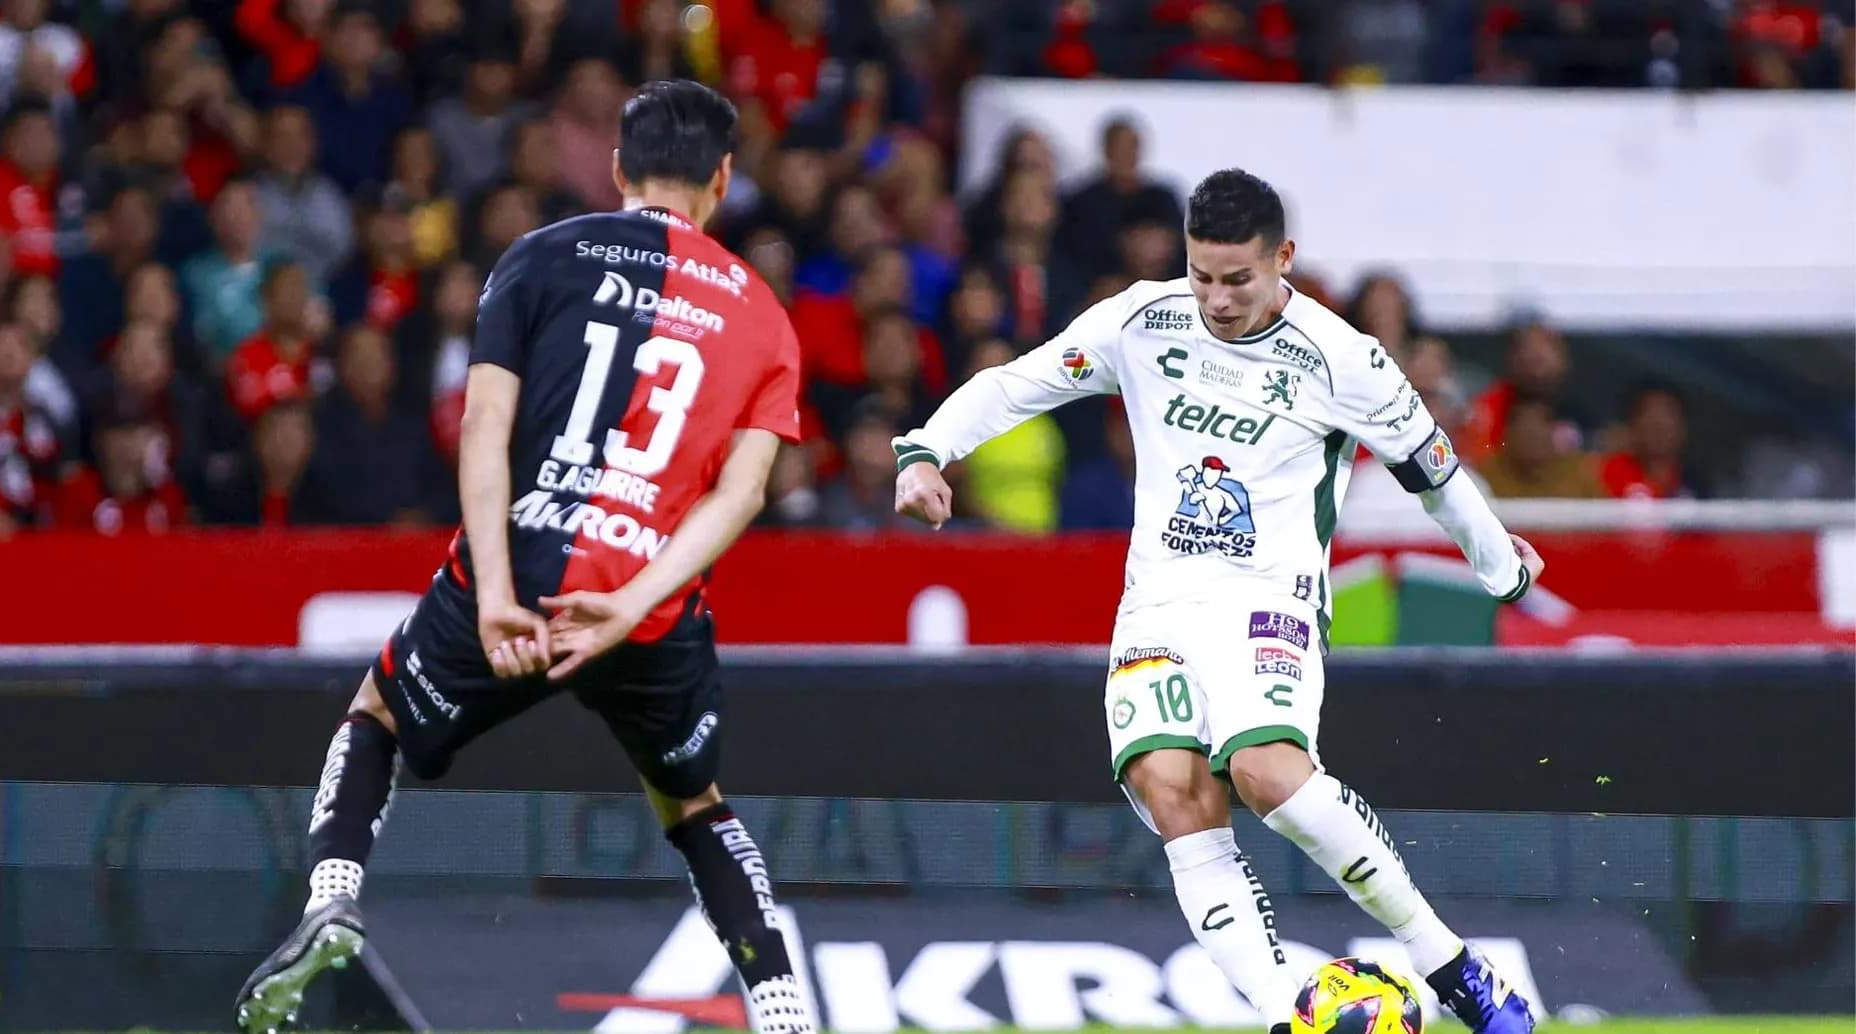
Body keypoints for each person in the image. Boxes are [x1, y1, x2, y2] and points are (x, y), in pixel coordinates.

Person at [892, 169, 1542, 1033]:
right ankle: (1284, 1014)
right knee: (1174, 792)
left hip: (1268, 602)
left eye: (1238, 279)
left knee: (1267, 774)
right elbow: (1018, 381)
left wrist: (1502, 568)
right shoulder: (1143, 320)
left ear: (1283, 259)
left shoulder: (1342, 358)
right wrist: (926, 449)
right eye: (1202, 275)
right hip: (1156, 607)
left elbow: (1436, 473)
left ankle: (1451, 964)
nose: (1218, 299)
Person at [233, 80, 814, 1034]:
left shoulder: (541, 255)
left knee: (377, 712)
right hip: (647, 606)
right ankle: (783, 1008)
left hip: (521, 572)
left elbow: (484, 427)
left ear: (618, 168)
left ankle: (332, 899)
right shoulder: (763, 316)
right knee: (693, 805)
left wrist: (497, 590)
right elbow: (742, 494)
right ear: (722, 178)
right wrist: (631, 603)